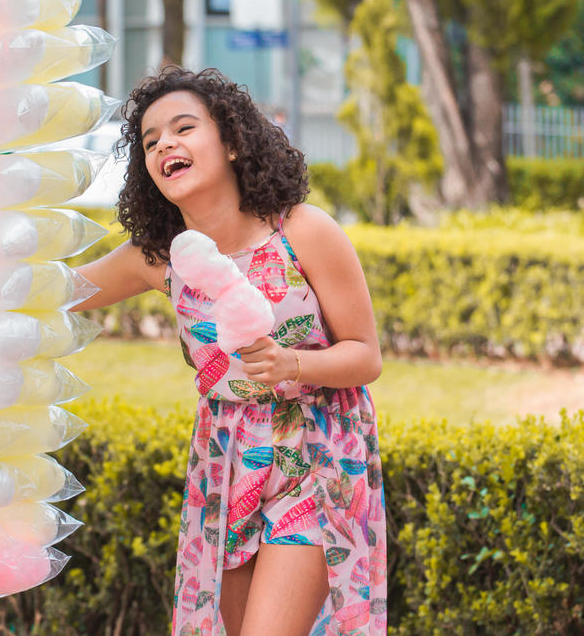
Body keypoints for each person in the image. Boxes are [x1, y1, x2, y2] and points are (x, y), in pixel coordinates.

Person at [73, 66, 386, 636]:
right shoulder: (159, 258)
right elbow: (62, 294)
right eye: (150, 140)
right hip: (226, 462)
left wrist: (294, 363)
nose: (164, 144)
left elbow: (366, 356)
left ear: (233, 143)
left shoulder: (302, 232)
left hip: (315, 458)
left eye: (183, 128)